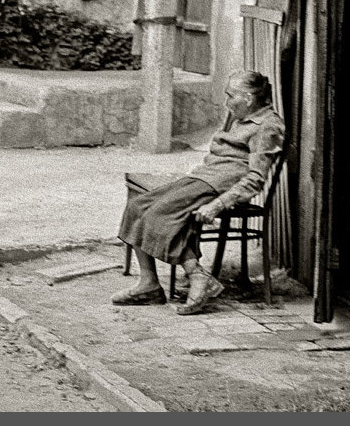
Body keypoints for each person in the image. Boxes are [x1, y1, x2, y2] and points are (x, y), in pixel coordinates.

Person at [113, 70, 284, 315]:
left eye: (230, 96)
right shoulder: (239, 114)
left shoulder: (268, 126)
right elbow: (219, 152)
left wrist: (217, 205)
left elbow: (256, 179)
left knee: (159, 213)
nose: (227, 102)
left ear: (247, 98)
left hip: (219, 186)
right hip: (203, 177)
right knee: (138, 206)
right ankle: (149, 284)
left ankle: (197, 276)